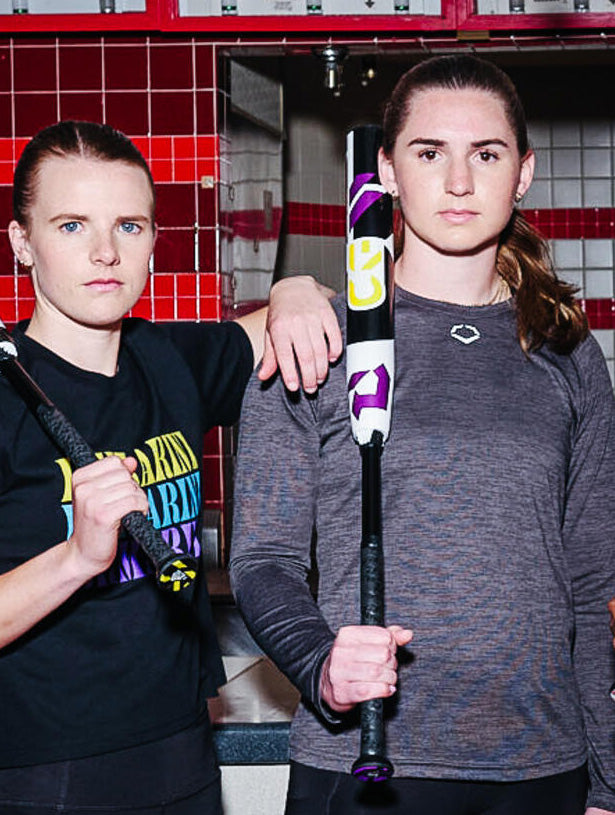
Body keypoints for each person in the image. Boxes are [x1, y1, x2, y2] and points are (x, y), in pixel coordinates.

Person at [0, 120, 341, 815]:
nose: (104, 251)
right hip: (55, 783)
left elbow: (286, 324)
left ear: (154, 244)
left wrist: (295, 287)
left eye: (129, 226)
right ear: (22, 243)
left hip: (188, 764)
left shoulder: (170, 362)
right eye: (71, 226)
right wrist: (76, 557)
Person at [229, 55, 615, 815]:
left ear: (524, 172)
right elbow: (262, 560)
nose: (460, 182)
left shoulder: (567, 351)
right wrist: (320, 666)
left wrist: (605, 780)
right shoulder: (316, 339)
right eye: (429, 152)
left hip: (540, 766)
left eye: (487, 154)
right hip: (364, 762)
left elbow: (590, 584)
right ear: (386, 171)